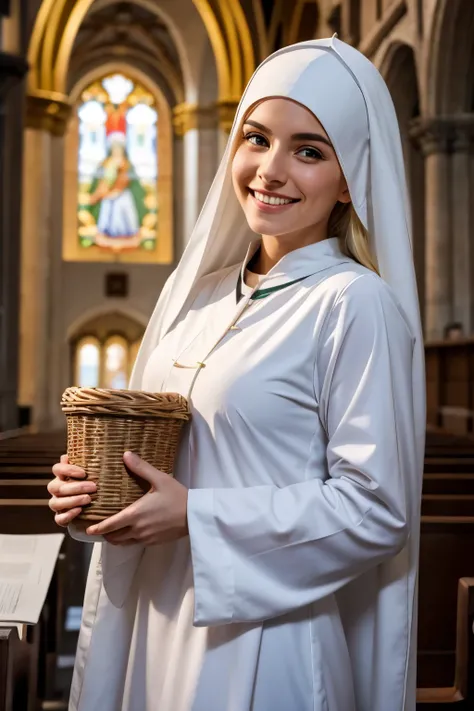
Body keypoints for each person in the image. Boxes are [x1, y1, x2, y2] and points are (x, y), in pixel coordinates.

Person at [47, 36, 425, 711]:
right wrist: (92, 493)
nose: (270, 170)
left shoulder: (355, 303)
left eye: (309, 150)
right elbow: (154, 457)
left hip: (266, 642)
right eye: (256, 138)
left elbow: (378, 508)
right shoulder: (197, 295)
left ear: (349, 179)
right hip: (155, 627)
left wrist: (196, 516)